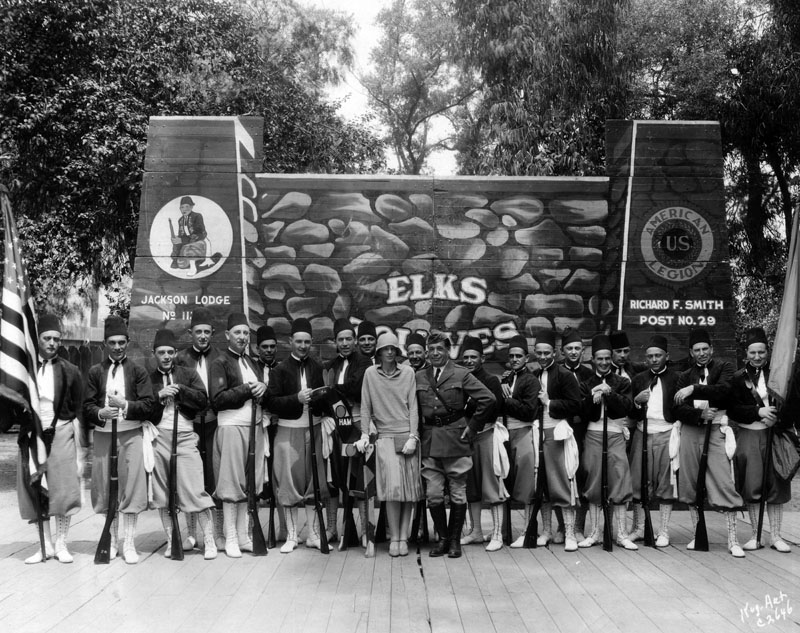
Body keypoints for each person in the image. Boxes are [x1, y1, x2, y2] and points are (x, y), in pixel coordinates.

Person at [416, 331, 495, 558]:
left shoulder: (460, 374)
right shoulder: (420, 376)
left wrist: (473, 427)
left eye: (439, 349)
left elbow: (488, 399)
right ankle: (442, 538)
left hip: (456, 439)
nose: (435, 353)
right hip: (430, 439)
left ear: (448, 350)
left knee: (458, 492)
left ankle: (454, 541)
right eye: (431, 350)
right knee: (433, 494)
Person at [83, 315, 155, 564]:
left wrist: (125, 405)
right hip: (104, 437)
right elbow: (86, 407)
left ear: (128, 342)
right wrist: (100, 413)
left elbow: (149, 406)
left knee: (132, 487)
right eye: (112, 342)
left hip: (130, 435)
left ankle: (130, 543)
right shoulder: (95, 372)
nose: (117, 347)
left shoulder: (138, 371)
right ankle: (110, 539)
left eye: (121, 342)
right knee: (105, 488)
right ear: (105, 344)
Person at [673, 329, 744, 557]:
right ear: (691, 352)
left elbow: (724, 392)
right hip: (692, 431)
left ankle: (733, 540)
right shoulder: (684, 375)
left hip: (715, 431)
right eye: (697, 350)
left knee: (723, 480)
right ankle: (697, 533)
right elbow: (676, 407)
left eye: (705, 349)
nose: (702, 353)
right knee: (691, 482)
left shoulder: (724, 368)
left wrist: (694, 390)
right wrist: (699, 414)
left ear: (711, 349)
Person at [20, 313, 84, 564]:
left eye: (56, 339)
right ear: (38, 339)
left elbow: (78, 408)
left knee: (63, 490)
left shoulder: (70, 371)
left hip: (61, 433)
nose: (52, 343)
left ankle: (61, 544)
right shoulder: (26, 370)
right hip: (33, 435)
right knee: (36, 490)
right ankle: (44, 544)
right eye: (47, 338)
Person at [148, 329, 216, 559]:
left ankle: (209, 541)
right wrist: (159, 395)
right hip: (158, 438)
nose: (166, 356)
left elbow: (202, 401)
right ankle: (172, 540)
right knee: (163, 494)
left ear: (175, 353)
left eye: (170, 352)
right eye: (161, 352)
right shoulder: (149, 378)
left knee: (195, 489)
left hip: (186, 437)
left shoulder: (188, 374)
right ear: (154, 354)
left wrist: (179, 390)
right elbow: (143, 408)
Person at [266, 318, 328, 553]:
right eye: (298, 341)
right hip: (288, 430)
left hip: (315, 429)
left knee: (315, 482)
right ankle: (292, 535)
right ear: (290, 341)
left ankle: (313, 534)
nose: (302, 346)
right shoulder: (280, 370)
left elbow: (326, 398)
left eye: (307, 342)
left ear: (311, 343)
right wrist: (297, 400)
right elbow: (271, 402)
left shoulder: (318, 367)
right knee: (288, 482)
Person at [356, 332, 421, 556]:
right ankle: (394, 537)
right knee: (393, 492)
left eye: (393, 348)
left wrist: (413, 436)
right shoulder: (370, 374)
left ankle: (404, 537)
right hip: (384, 437)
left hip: (407, 436)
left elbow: (413, 406)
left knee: (408, 492)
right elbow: (365, 406)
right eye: (386, 349)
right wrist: (365, 434)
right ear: (379, 352)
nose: (390, 352)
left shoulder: (409, 372)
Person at [209, 313, 267, 558]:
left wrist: (263, 387)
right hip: (231, 428)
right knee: (232, 485)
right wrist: (246, 389)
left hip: (254, 428)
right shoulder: (219, 363)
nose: (242, 337)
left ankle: (243, 535)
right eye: (237, 333)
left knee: (249, 483)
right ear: (227, 336)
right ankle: (230, 536)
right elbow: (218, 400)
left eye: (245, 333)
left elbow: (261, 391)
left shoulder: (252, 363)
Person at [728, 327, 792, 552]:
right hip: (749, 434)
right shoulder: (737, 378)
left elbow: (792, 404)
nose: (757, 357)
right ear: (746, 352)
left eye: (761, 352)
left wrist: (779, 419)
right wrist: (758, 412)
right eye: (753, 353)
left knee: (777, 484)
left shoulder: (780, 374)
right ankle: (756, 535)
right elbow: (733, 410)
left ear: (768, 352)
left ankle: (776, 536)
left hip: (774, 434)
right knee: (753, 484)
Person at [578, 334, 637, 550]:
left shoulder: (621, 382)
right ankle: (594, 533)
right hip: (593, 435)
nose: (603, 362)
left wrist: (608, 393)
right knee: (594, 481)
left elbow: (625, 408)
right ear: (592, 359)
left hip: (614, 436)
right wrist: (592, 397)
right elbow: (584, 413)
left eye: (606, 358)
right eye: (598, 359)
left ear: (611, 358)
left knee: (619, 478)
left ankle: (620, 534)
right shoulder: (586, 383)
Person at [175, 307, 223, 551]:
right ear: (190, 332)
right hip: (190, 424)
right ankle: (191, 533)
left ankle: (216, 534)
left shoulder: (221, 357)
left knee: (213, 476)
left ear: (212, 333)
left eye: (207, 332)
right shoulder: (180, 359)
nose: (203, 336)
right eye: (198, 332)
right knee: (190, 479)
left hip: (214, 424)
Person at [531, 330, 583, 550]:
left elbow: (576, 404)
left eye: (547, 353)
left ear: (554, 352)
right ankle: (547, 531)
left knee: (562, 483)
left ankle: (570, 533)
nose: (543, 357)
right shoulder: (533, 375)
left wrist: (549, 403)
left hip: (558, 434)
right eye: (539, 353)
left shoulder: (564, 374)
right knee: (541, 484)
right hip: (537, 435)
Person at [628, 335, 680, 546]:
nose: (654, 359)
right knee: (639, 481)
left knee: (666, 482)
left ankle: (664, 530)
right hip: (643, 432)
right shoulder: (639, 379)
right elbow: (629, 410)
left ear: (666, 356)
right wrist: (637, 403)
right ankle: (640, 527)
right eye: (650, 356)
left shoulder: (677, 379)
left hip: (666, 433)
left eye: (658, 355)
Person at [458, 335, 508, 552]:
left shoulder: (491, 380)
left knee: (491, 484)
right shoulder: (460, 379)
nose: (469, 361)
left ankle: (497, 533)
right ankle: (476, 531)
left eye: (473, 357)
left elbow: (493, 408)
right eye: (466, 357)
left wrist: (472, 414)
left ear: (482, 358)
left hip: (486, 435)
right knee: (471, 486)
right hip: (467, 440)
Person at [324, 318, 372, 543]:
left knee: (359, 477)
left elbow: (356, 387)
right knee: (335, 476)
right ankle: (333, 526)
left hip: (357, 424)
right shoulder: (330, 365)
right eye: (340, 339)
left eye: (348, 339)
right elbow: (325, 396)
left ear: (354, 341)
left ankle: (364, 530)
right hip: (335, 425)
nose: (344, 343)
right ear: (335, 342)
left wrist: (334, 390)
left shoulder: (363, 361)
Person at [498, 335, 542, 549]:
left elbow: (528, 411)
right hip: (506, 433)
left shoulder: (530, 380)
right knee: (505, 480)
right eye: (511, 356)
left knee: (525, 484)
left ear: (526, 358)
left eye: (519, 356)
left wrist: (508, 400)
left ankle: (527, 531)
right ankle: (504, 530)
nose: (515, 359)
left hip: (523, 432)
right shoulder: (507, 378)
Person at [557, 327, 592, 543]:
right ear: (562, 351)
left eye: (577, 348)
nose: (573, 352)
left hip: (584, 432)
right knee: (562, 476)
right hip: (562, 430)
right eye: (569, 348)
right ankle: (562, 526)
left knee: (583, 476)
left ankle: (579, 526)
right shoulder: (557, 373)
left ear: (583, 350)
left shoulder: (588, 374)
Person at [170, 196, 207, 270]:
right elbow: (181, 235)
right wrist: (176, 239)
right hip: (186, 242)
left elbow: (201, 234)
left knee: (188, 248)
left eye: (187, 206)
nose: (184, 209)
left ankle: (196, 262)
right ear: (180, 209)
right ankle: (176, 260)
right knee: (176, 243)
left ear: (191, 207)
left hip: (198, 240)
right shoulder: (180, 220)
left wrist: (182, 240)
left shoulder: (197, 216)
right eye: (182, 207)